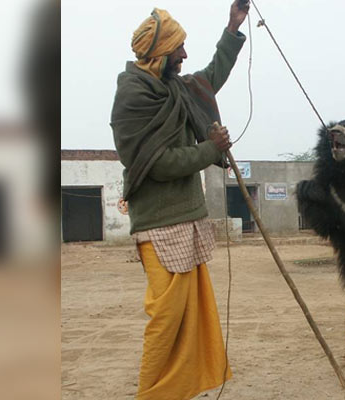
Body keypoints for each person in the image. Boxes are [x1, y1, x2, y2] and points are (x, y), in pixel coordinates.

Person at [110, 1, 249, 399]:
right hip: (157, 223)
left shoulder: (178, 89)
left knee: (191, 318)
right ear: (159, 53)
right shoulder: (132, 100)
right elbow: (159, 164)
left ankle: (178, 391)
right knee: (166, 317)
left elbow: (211, 77)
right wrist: (210, 149)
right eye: (179, 49)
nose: (185, 56)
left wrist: (233, 28)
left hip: (188, 218)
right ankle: (151, 394)